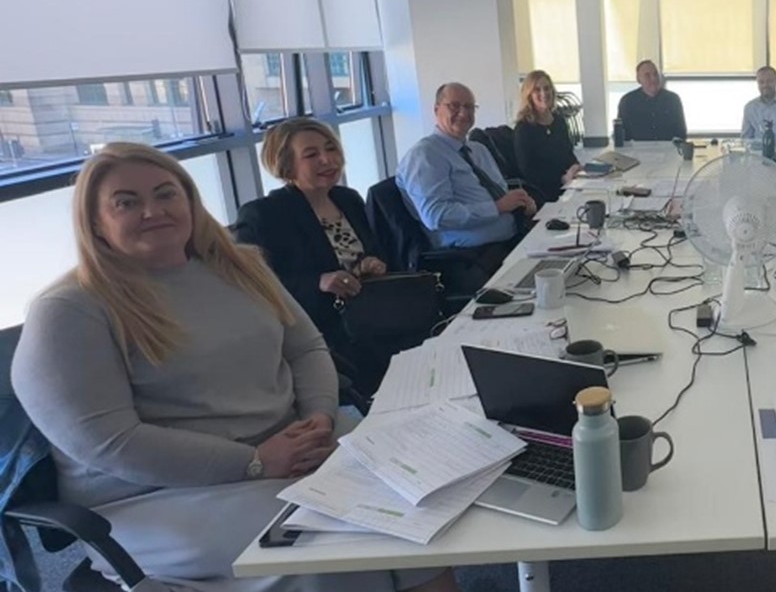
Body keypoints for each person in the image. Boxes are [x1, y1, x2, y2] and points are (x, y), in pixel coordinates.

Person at [11, 143, 455, 592]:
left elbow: (306, 349)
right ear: (94, 222)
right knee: (338, 544)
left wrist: (320, 417)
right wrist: (255, 463)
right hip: (161, 496)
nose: (152, 211)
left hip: (291, 447)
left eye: (166, 194)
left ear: (189, 201)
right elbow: (110, 442)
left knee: (419, 504)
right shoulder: (70, 310)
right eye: (126, 202)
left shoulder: (240, 267)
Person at [233, 118, 387, 353]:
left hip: (371, 319)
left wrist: (369, 263)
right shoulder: (264, 215)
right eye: (311, 155)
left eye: (331, 149)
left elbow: (374, 250)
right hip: (318, 335)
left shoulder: (348, 199)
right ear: (287, 165)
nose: (327, 159)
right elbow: (252, 286)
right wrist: (317, 282)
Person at [397, 82, 536, 275]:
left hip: (515, 239)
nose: (463, 113)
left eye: (469, 107)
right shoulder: (425, 156)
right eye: (454, 106)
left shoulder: (478, 149)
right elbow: (436, 216)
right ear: (436, 109)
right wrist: (496, 208)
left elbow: (501, 192)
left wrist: (521, 203)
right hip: (473, 259)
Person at [514, 69, 581, 204]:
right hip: (542, 193)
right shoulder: (524, 128)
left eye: (547, 88)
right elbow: (528, 172)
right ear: (529, 95)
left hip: (567, 185)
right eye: (537, 90)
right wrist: (561, 179)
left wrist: (576, 167)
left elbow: (568, 154)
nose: (543, 93)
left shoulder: (559, 121)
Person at [616, 59, 687, 141]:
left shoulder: (673, 100)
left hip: (668, 147)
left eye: (655, 74)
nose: (653, 79)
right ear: (639, 79)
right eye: (647, 75)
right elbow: (622, 135)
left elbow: (681, 132)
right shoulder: (627, 101)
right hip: (637, 148)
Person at [740, 66, 776, 144]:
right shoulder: (749, 108)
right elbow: (745, 139)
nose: (765, 85)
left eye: (769, 81)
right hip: (757, 151)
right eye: (761, 82)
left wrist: (772, 146)